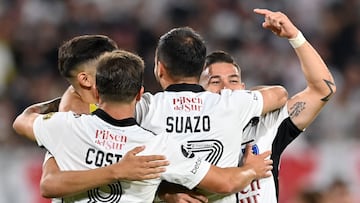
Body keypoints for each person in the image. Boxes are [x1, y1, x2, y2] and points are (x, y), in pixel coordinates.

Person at [13, 50, 274, 202]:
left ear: (98, 90)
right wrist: (251, 171)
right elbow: (226, 183)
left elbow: (24, 121)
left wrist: (57, 103)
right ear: (140, 94)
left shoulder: (65, 127)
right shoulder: (156, 147)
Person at [165, 8, 336, 203]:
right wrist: (167, 194)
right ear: (199, 93)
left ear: (244, 89)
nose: (226, 89)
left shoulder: (266, 125)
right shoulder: (184, 132)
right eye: (214, 82)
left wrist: (295, 37)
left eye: (233, 80)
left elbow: (324, 89)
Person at [41, 34, 171, 196]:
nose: (117, 70)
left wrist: (166, 192)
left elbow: (24, 120)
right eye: (108, 65)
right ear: (86, 80)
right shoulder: (68, 124)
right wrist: (116, 171)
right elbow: (49, 185)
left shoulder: (66, 122)